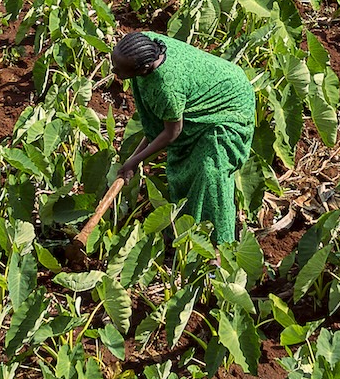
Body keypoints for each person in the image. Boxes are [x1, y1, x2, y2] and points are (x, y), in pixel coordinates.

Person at [111, 30, 258, 244]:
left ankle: (219, 244)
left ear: (143, 69)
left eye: (119, 69)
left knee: (209, 172)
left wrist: (135, 160)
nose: (113, 70)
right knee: (187, 167)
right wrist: (133, 160)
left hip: (231, 105)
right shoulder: (144, 43)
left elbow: (172, 132)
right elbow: (155, 127)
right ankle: (184, 227)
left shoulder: (166, 86)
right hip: (203, 91)